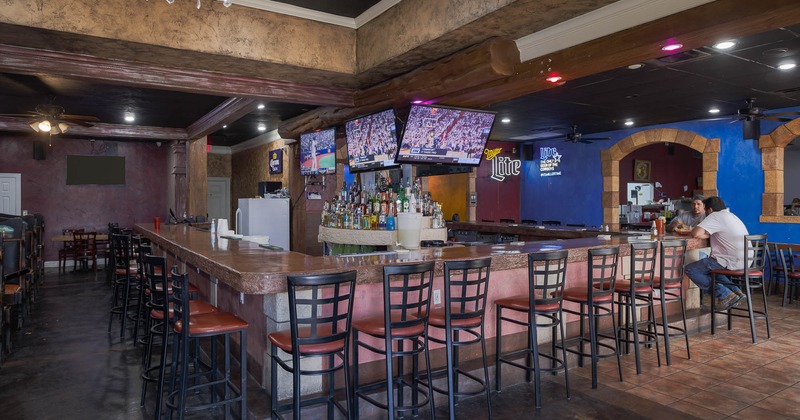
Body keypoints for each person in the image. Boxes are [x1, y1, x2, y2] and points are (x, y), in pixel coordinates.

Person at [685, 196, 749, 310]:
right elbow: (709, 234)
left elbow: (695, 233)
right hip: (746, 261)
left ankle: (725, 294)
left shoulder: (715, 215)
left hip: (732, 261)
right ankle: (736, 292)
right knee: (713, 271)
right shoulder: (731, 216)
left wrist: (701, 230)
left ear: (709, 210)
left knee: (691, 269)